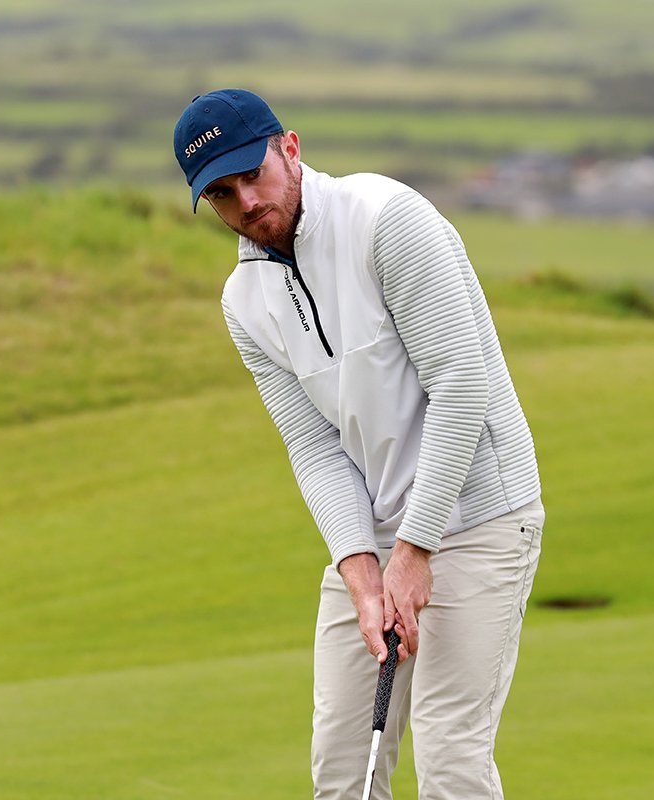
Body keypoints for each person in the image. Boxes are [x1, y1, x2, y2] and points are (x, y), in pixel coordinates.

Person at [173, 88, 544, 800]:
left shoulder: (385, 219)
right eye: (221, 192)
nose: (246, 202)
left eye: (253, 174)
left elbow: (461, 385)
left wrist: (415, 550)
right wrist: (362, 571)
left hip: (478, 516)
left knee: (451, 760)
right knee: (345, 768)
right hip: (375, 537)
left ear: (290, 148)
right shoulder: (242, 301)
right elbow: (314, 447)